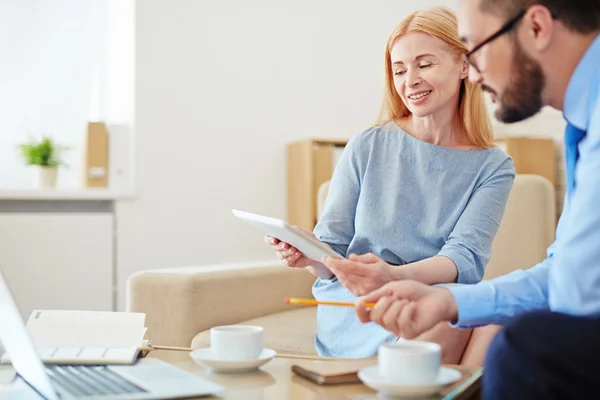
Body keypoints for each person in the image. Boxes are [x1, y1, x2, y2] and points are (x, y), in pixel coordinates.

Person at [355, 0, 600, 397]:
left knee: (519, 348)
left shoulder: (496, 163)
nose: (476, 70)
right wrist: (449, 304)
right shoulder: (583, 125)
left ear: (536, 27)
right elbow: (567, 274)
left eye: (476, 48)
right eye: (400, 69)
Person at [267, 6, 515, 360]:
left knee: (495, 314)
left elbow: (464, 258)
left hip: (431, 294)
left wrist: (395, 276)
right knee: (450, 318)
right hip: (362, 305)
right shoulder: (368, 145)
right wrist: (307, 255)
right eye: (399, 70)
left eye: (424, 64)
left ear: (464, 65)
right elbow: (331, 254)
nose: (409, 80)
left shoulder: (494, 166)